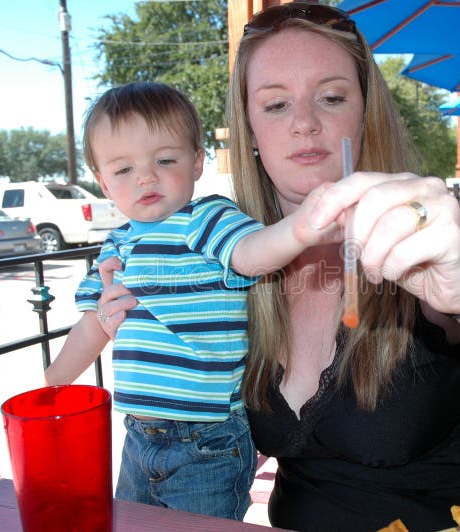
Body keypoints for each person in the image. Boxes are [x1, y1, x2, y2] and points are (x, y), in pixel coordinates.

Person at [94, 4, 460, 530]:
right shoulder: (232, 260)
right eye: (276, 105)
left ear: (365, 110)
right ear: (251, 131)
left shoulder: (430, 238)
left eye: (331, 97)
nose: (305, 123)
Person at [43, 81, 338, 520]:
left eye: (165, 160)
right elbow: (93, 326)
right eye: (123, 170)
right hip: (138, 436)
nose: (146, 176)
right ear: (104, 184)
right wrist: (52, 386)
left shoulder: (204, 219)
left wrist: (297, 230)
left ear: (196, 162)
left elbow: (250, 255)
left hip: (206, 441)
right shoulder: (117, 246)